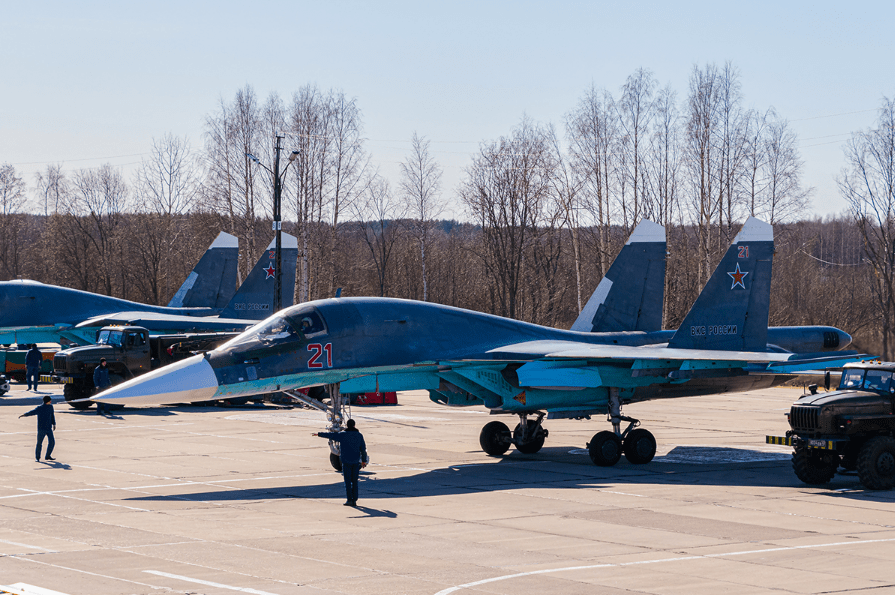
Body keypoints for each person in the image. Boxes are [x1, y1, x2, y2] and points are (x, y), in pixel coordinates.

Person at [313, 419, 368, 506]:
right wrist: (364, 461)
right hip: (355, 462)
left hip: (346, 462)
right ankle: (355, 499)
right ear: (354, 425)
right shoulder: (359, 435)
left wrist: (319, 434)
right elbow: (363, 450)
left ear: (347, 425)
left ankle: (350, 500)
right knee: (354, 481)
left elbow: (331, 435)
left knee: (347, 481)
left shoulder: (343, 435)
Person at [19, 395, 56, 461]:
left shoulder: (50, 407)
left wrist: (54, 424)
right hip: (41, 428)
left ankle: (48, 456)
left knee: (52, 442)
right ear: (46, 401)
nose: (51, 401)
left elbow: (52, 415)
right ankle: (37, 457)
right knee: (39, 443)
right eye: (50, 401)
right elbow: (32, 412)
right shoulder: (40, 408)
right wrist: (24, 414)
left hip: (49, 428)